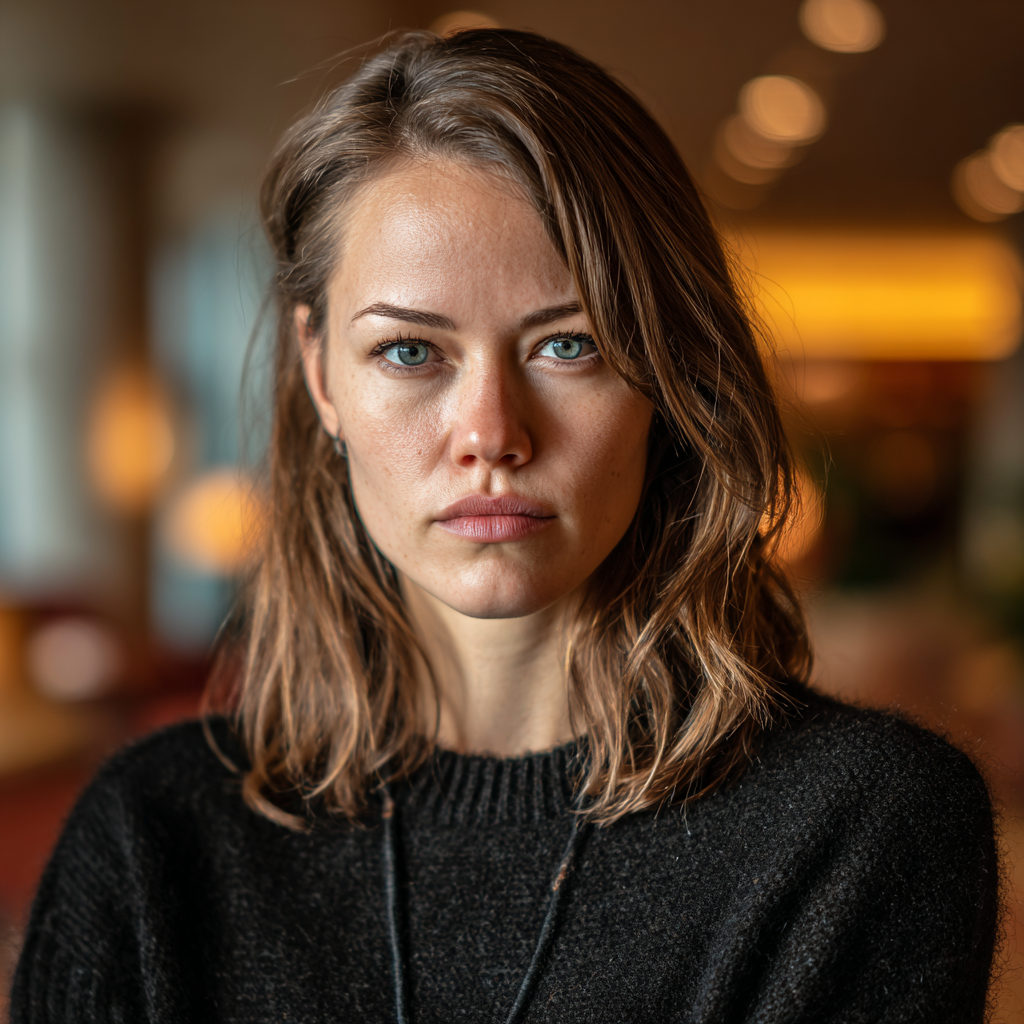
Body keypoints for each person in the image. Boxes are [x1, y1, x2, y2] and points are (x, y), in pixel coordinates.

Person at [13, 28, 997, 1024]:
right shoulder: (154, 838)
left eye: (569, 343)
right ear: (320, 373)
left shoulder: (861, 825)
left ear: (668, 372)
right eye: (408, 352)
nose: (490, 433)